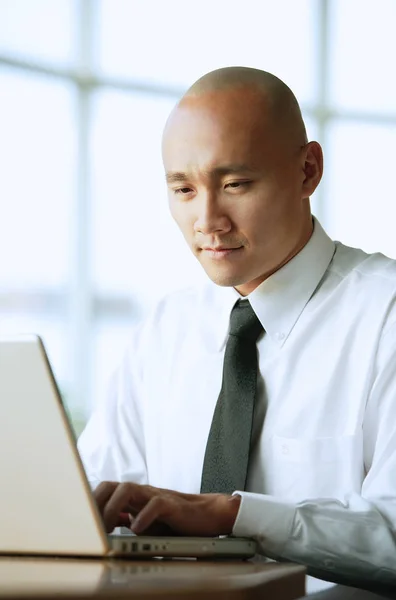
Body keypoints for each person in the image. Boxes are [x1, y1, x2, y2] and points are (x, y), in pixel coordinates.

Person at [78, 67, 396, 589]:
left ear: (308, 170)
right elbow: (92, 494)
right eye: (183, 189)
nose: (208, 220)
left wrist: (232, 516)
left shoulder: (386, 315)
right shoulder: (166, 329)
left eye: (235, 184)